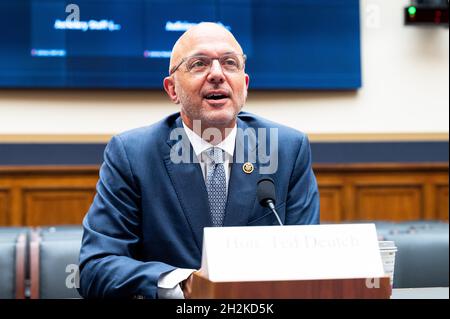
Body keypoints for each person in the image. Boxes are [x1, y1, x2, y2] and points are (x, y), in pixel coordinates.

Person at [78, 22, 320, 299]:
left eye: (230, 63)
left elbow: (306, 264)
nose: (217, 74)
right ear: (172, 89)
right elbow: (96, 268)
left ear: (245, 84)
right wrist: (182, 285)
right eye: (198, 64)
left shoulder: (286, 149)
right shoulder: (132, 154)